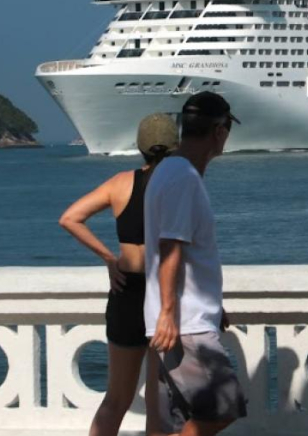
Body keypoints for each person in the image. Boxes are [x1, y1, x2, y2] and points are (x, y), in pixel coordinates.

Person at [59, 113, 178, 436]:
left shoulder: (120, 183)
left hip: (125, 291)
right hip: (161, 294)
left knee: (116, 398)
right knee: (159, 401)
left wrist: (109, 259)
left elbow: (70, 218)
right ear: (175, 146)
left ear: (140, 147)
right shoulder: (178, 184)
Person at [145, 92, 247, 436]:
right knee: (224, 406)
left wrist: (214, 306)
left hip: (181, 317)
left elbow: (184, 253)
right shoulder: (184, 178)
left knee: (172, 419)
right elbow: (170, 246)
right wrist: (170, 313)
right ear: (219, 132)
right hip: (184, 324)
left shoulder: (169, 171)